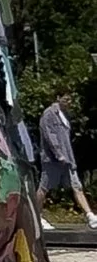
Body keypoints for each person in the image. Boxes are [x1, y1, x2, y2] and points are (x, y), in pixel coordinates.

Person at [36, 96, 93, 226]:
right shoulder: (49, 114)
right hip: (52, 160)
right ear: (58, 98)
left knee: (76, 186)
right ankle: (36, 216)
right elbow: (49, 136)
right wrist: (59, 155)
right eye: (66, 99)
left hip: (68, 159)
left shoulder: (64, 115)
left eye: (70, 99)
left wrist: (67, 157)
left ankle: (90, 216)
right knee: (44, 187)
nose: (69, 102)